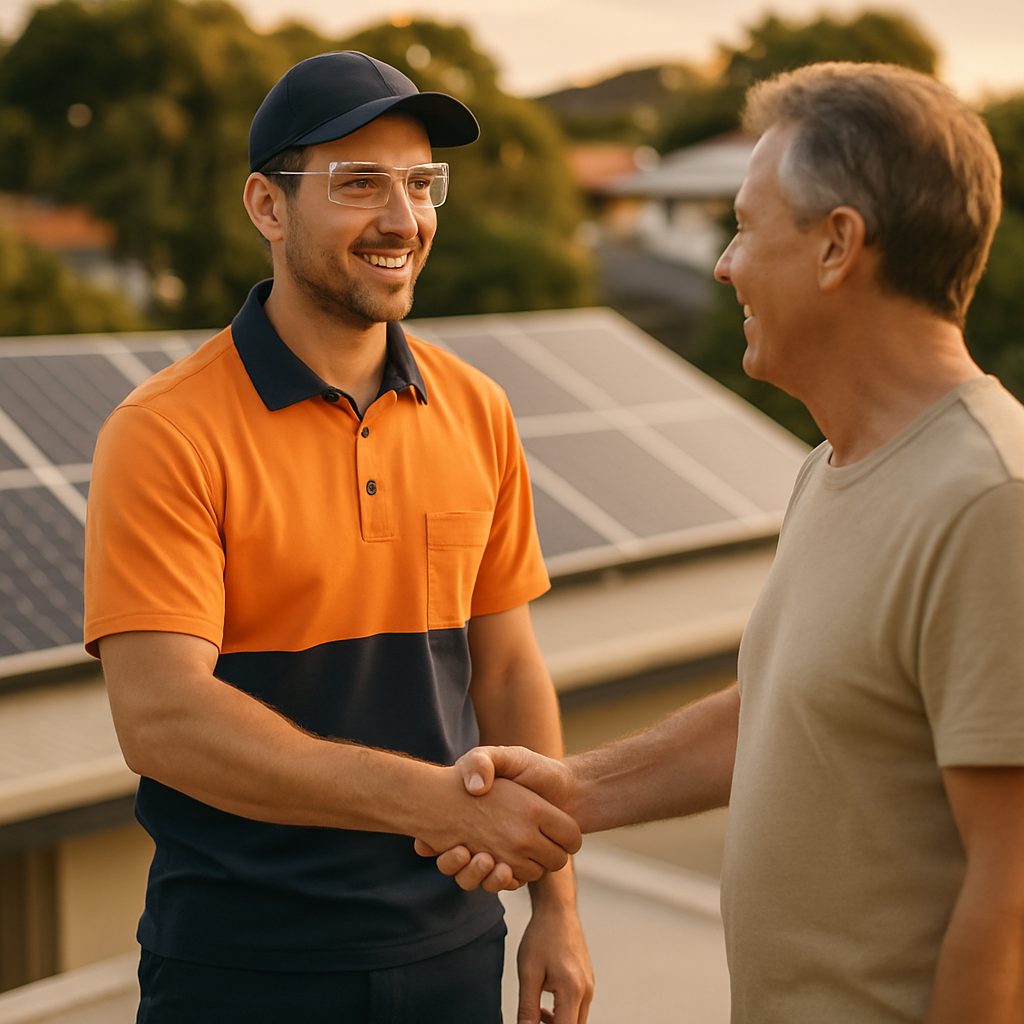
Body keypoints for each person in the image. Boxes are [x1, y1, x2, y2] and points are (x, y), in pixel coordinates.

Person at [419, 62, 1024, 1024]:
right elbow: (787, 710)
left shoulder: (992, 499)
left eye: (744, 225)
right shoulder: (834, 467)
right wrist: (573, 791)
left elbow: (1014, 890)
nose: (723, 263)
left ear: (837, 246)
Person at [84, 51, 592, 1024]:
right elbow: (163, 722)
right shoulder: (163, 432)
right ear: (267, 208)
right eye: (358, 184)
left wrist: (555, 907)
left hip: (452, 953)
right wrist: (428, 800)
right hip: (241, 968)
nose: (402, 220)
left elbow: (509, 673)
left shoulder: (477, 410)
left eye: (419, 183)